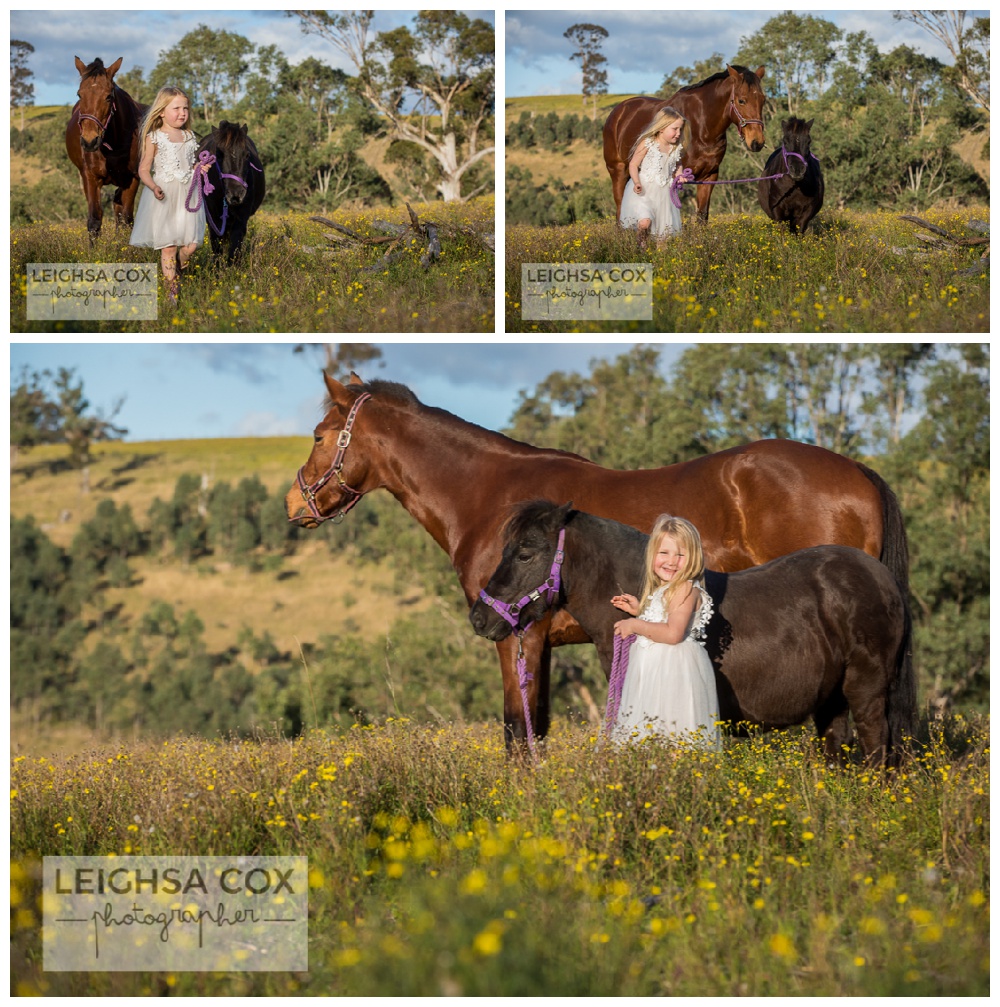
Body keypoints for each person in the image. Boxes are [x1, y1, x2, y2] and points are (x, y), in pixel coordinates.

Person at [610, 514, 721, 749]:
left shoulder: (684, 588)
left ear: (692, 558)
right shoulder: (667, 588)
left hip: (673, 671)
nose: (671, 561)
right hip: (654, 669)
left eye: (680, 555)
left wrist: (635, 625)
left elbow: (672, 633)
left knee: (673, 730)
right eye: (664, 553)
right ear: (652, 555)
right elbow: (664, 619)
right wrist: (640, 611)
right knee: (650, 729)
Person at [129, 86, 205, 304]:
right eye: (176, 108)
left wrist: (200, 168)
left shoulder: (189, 136)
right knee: (169, 246)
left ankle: (180, 270)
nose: (182, 113)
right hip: (164, 196)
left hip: (188, 194)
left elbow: (191, 165)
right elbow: (144, 169)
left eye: (185, 108)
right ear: (161, 111)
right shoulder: (154, 137)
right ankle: (173, 293)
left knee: (191, 245)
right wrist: (153, 186)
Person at [618, 106, 688, 249]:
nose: (678, 133)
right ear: (662, 128)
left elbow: (678, 164)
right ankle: (641, 245)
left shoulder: (676, 148)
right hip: (644, 190)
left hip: (664, 194)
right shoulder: (648, 143)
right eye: (675, 129)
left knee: (663, 235)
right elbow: (633, 164)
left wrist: (680, 175)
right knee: (644, 222)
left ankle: (660, 262)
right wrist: (637, 182)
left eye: (680, 129)